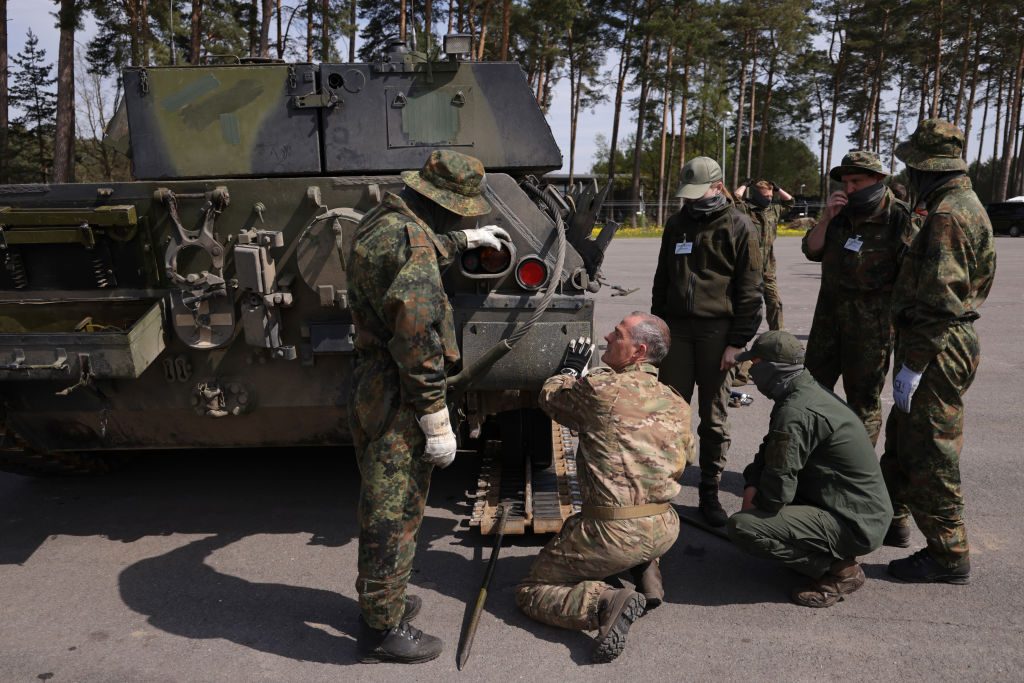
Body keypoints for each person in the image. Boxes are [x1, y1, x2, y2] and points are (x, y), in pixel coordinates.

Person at [349, 150, 510, 663]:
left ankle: (384, 600)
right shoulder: (411, 241)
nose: (463, 219)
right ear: (442, 202)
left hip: (375, 384)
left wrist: (460, 242)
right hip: (401, 392)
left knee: (386, 500)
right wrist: (435, 414)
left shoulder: (383, 221)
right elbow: (418, 339)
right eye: (461, 214)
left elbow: (410, 254)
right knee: (394, 510)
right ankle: (383, 628)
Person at [516, 312, 694, 663]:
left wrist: (569, 371)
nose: (608, 338)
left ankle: (605, 603)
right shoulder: (678, 402)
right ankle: (647, 571)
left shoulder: (601, 390)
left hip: (612, 534)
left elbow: (550, 398)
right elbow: (685, 455)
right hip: (665, 528)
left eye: (618, 334)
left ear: (638, 351)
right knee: (638, 485)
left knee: (530, 590)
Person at [882, 119, 996, 584]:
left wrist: (914, 363)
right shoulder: (953, 204)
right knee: (905, 439)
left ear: (927, 168)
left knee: (931, 450)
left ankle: (949, 555)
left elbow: (941, 301)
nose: (906, 174)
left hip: (936, 346)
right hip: (935, 342)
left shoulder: (948, 214)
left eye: (912, 166)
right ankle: (894, 520)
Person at [727, 331, 893, 608]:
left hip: (855, 521)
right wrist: (751, 483)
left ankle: (839, 571)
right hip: (854, 508)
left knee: (744, 528)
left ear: (772, 368)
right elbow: (769, 451)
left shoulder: (796, 411)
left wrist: (754, 505)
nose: (751, 373)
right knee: (758, 500)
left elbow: (777, 488)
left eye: (754, 364)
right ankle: (823, 550)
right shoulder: (804, 389)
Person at [651, 156, 763, 527]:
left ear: (718, 187)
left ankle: (709, 492)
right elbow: (662, 280)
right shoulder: (677, 224)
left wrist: (737, 343)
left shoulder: (740, 226)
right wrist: (658, 331)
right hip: (677, 331)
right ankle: (663, 488)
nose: (692, 201)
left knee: (713, 418)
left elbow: (751, 291)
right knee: (669, 415)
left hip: (718, 333)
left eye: (699, 194)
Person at [800, 151, 916, 455]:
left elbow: (914, 279)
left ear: (878, 179)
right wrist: (826, 219)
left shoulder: (899, 218)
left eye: (856, 181)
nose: (849, 189)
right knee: (809, 394)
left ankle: (855, 474)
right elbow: (812, 250)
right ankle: (808, 465)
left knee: (862, 404)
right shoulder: (840, 215)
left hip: (870, 332)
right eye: (845, 182)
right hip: (827, 323)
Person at [735, 178, 795, 332]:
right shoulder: (746, 209)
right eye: (765, 196)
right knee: (746, 305)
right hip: (748, 266)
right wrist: (744, 185)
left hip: (768, 266)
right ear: (757, 196)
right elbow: (734, 199)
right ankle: (738, 339)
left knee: (774, 303)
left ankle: (777, 336)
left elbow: (790, 202)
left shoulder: (774, 210)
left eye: (770, 196)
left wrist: (777, 188)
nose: (769, 199)